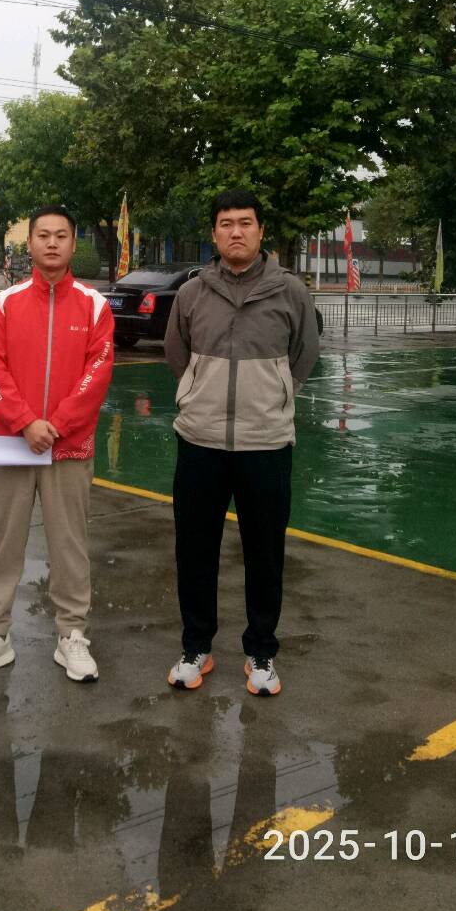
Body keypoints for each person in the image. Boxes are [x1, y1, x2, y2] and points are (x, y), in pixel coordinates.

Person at [163, 190, 319, 697]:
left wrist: (274, 394)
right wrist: (197, 394)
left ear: (260, 231)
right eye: (226, 223)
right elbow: (176, 353)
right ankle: (196, 647)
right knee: (195, 550)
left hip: (266, 442)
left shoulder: (289, 291)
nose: (236, 231)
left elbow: (304, 353)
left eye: (245, 222)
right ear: (214, 233)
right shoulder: (192, 293)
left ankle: (261, 652)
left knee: (265, 553)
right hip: (200, 440)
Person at [0, 204, 114, 683]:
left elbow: (97, 372)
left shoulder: (94, 305)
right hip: (12, 444)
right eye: (42, 235)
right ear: (29, 244)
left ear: (72, 242)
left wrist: (58, 424)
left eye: (60, 235)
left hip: (69, 446)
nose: (51, 243)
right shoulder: (6, 303)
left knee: (70, 544)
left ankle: (72, 634)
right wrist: (25, 422)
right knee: (4, 541)